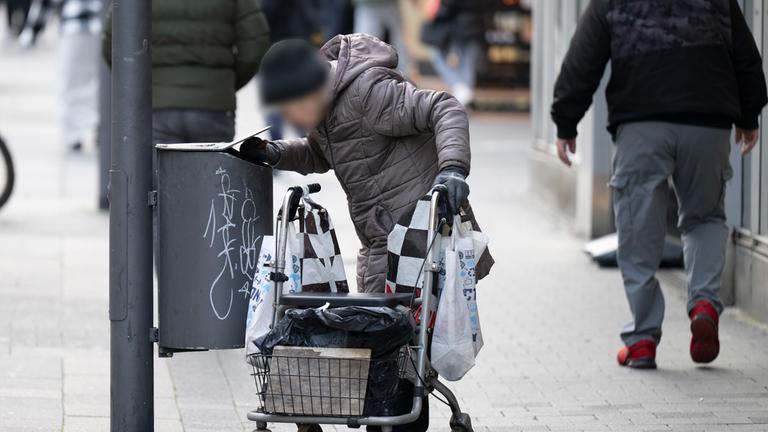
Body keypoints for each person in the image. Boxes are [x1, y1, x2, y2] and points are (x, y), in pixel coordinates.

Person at [240, 34, 494, 431]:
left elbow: (444, 107)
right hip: (381, 244)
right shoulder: (325, 116)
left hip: (420, 238)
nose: (290, 118)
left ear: (310, 90)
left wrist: (453, 169)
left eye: (291, 108)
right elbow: (318, 154)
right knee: (384, 344)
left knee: (402, 351)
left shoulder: (368, 93)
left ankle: (400, 421)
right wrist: (276, 153)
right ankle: (390, 417)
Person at [551, 0, 767, 369]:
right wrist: (749, 113)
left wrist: (566, 120)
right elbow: (745, 54)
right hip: (708, 123)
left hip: (641, 124)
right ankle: (703, 302)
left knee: (638, 230)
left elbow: (583, 58)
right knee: (705, 217)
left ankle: (642, 340)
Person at [103, 0, 270, 145]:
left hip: (158, 106)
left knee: (162, 177)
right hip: (213, 105)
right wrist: (225, 84)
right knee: (213, 177)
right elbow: (256, 42)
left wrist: (144, 86)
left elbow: (112, 44)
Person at [21, 0, 103, 152]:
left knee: (70, 82)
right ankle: (95, 123)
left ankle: (74, 134)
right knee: (98, 80)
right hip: (99, 26)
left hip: (74, 27)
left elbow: (46, 3)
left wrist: (32, 30)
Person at [421, 0, 485, 106]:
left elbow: (442, 9)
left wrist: (436, 10)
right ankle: (465, 92)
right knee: (466, 59)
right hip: (472, 23)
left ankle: (460, 87)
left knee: (438, 56)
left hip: (452, 25)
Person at [353, 0, 409, 71]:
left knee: (398, 42)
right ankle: (361, 73)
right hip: (367, 6)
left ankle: (404, 72)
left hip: (388, 6)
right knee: (363, 44)